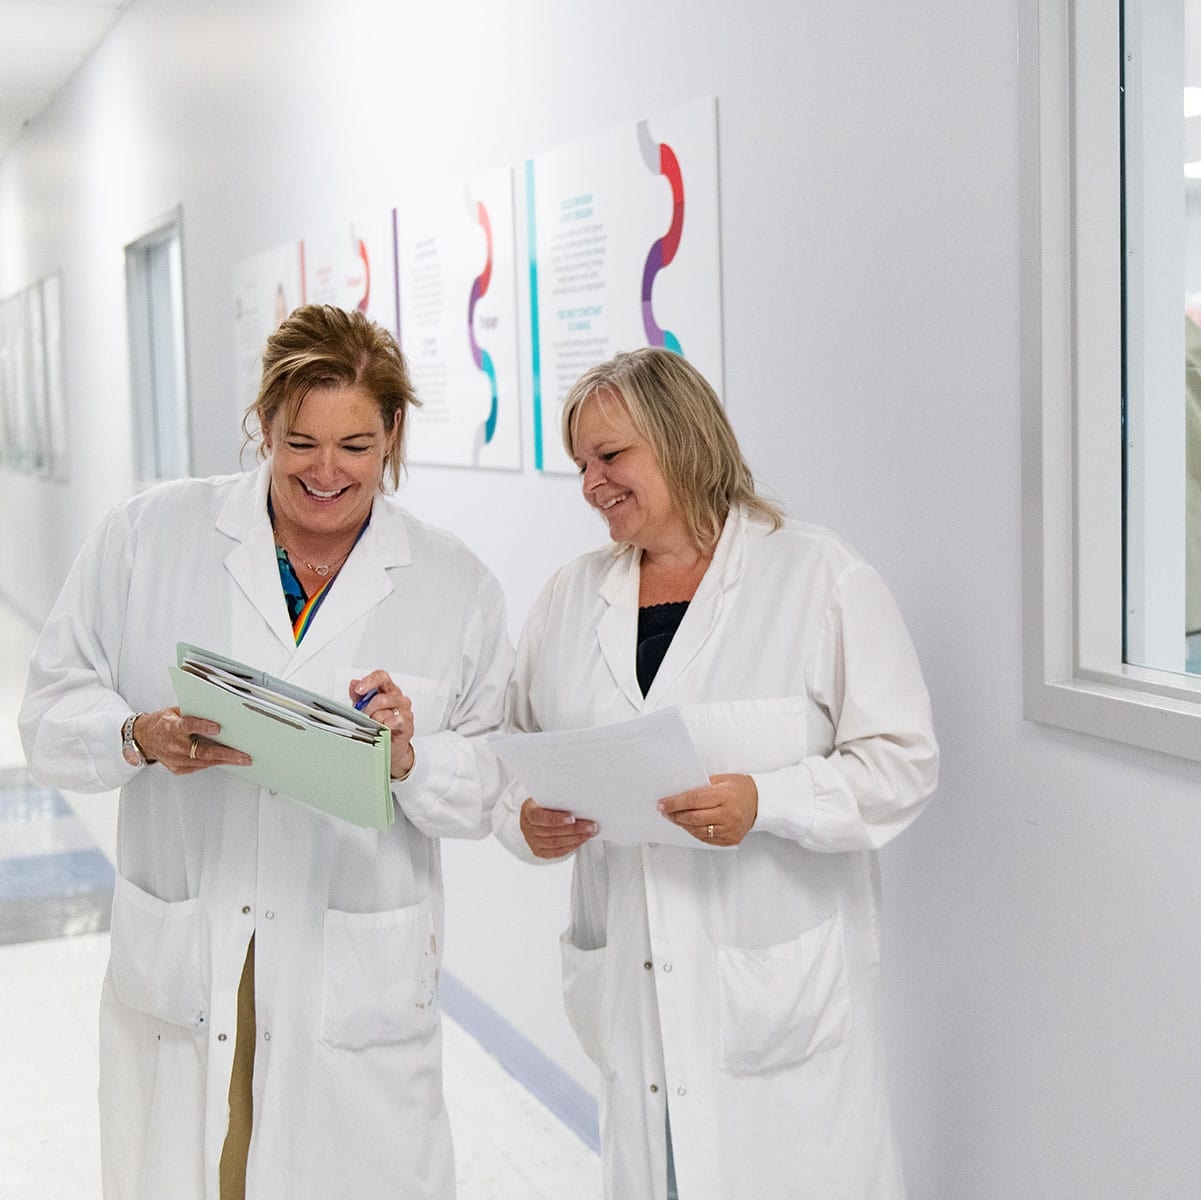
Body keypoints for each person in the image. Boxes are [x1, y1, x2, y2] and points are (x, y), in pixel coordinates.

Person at [20, 304, 514, 1200]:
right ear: (264, 424)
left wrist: (410, 758)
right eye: (300, 443)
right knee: (194, 1165)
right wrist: (137, 736)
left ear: (395, 435)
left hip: (349, 971)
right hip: (191, 950)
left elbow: (490, 788)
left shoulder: (456, 586)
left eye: (356, 446)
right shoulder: (148, 537)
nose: (326, 472)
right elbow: (51, 709)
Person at [495, 347, 939, 1200]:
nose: (591, 483)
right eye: (581, 464)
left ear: (682, 439)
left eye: (610, 457)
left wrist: (767, 801)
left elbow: (901, 763)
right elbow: (514, 751)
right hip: (633, 990)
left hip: (775, 1007)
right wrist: (525, 817)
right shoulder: (566, 598)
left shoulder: (819, 578)